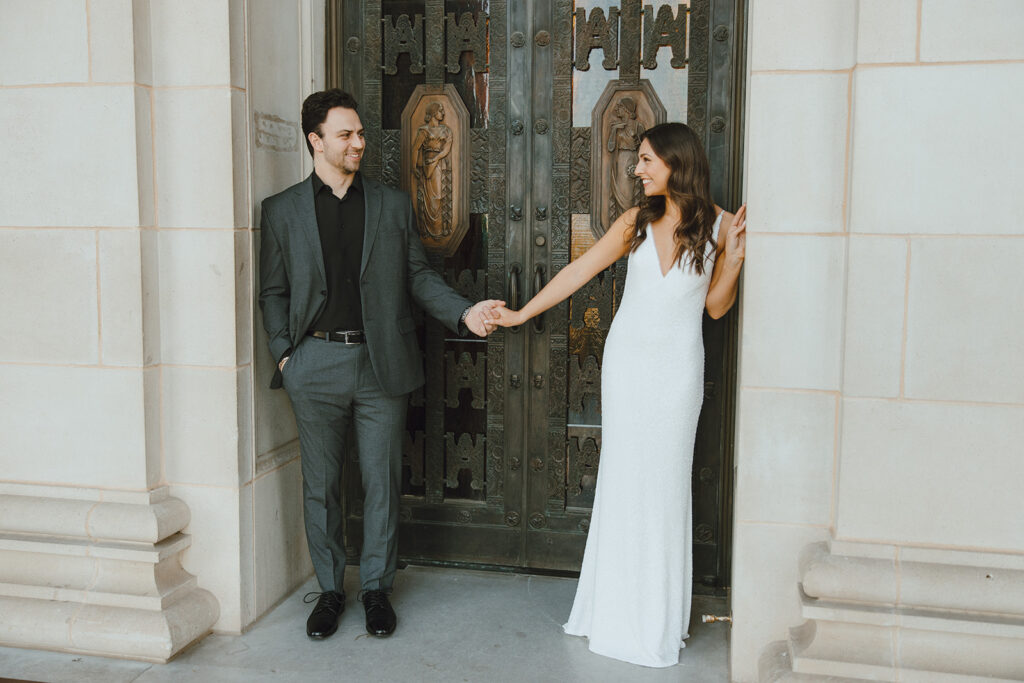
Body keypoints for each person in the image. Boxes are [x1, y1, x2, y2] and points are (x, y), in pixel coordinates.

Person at [486, 122, 746, 667]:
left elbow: (717, 307)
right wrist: (522, 313)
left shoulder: (721, 226)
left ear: (677, 162)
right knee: (626, 481)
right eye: (638, 160)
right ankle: (613, 609)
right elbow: (581, 269)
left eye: (647, 159)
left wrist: (736, 260)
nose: (637, 169)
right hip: (627, 369)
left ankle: (656, 619)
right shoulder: (635, 221)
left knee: (666, 484)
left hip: (678, 374)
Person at [258, 89, 501, 641]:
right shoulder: (281, 210)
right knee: (320, 486)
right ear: (315, 141)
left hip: (379, 364)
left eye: (361, 133)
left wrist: (464, 314)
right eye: (346, 134)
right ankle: (327, 591)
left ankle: (375, 591)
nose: (359, 143)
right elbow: (271, 291)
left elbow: (417, 277)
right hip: (313, 363)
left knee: (381, 483)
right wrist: (286, 354)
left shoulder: (390, 205)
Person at [411, 102, 453, 238]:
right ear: (434, 113)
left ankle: (440, 229)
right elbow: (415, 148)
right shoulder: (424, 131)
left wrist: (436, 159)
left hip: (440, 165)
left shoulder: (446, 131)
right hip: (427, 167)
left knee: (439, 197)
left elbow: (446, 149)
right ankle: (428, 229)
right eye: (441, 110)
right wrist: (413, 167)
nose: (443, 113)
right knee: (429, 200)